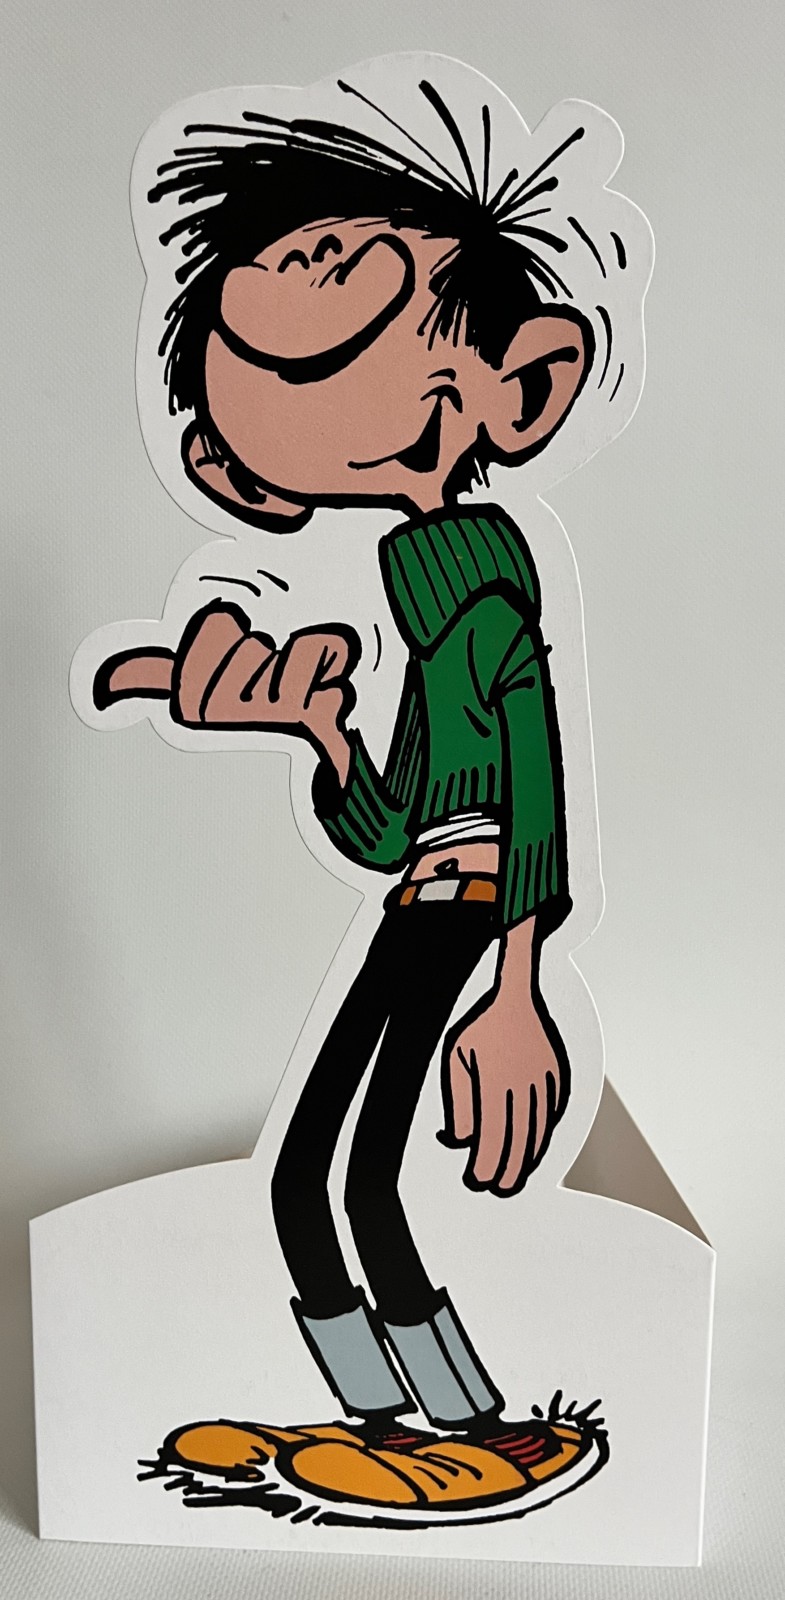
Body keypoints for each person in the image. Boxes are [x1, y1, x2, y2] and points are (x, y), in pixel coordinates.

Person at [98, 77, 612, 1519]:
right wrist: (318, 733)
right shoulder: (413, 585)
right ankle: (381, 1420)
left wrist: (519, 985)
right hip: (414, 901)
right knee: (299, 1178)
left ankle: (472, 1423)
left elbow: (531, 774)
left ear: (523, 389)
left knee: (364, 1174)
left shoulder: (484, 579)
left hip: (467, 913)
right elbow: (389, 820)